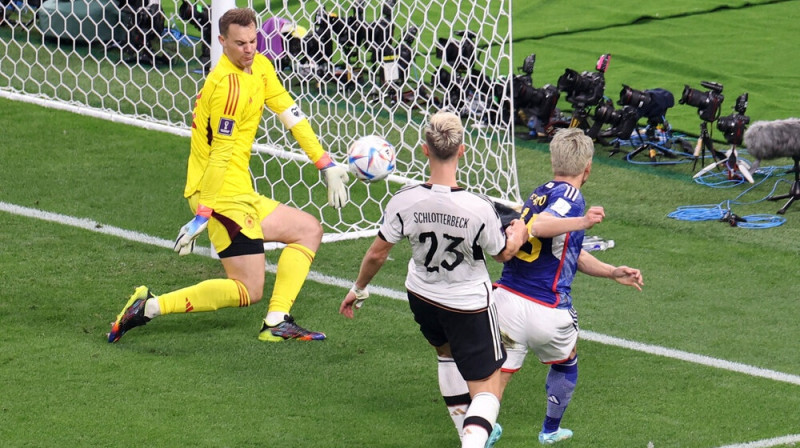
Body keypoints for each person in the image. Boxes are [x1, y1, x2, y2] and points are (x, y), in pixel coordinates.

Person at [108, 7, 350, 343]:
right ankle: (148, 307)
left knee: (308, 230)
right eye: (240, 43)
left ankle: (277, 322)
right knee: (248, 289)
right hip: (217, 191)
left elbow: (291, 114)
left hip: (239, 189)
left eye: (253, 41)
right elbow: (220, 154)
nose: (249, 49)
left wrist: (325, 163)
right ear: (222, 42)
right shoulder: (226, 87)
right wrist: (203, 214)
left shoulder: (261, 67)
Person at [339, 111, 528, 448]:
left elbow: (377, 253)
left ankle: (464, 434)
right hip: (468, 303)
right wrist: (519, 232)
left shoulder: (404, 199)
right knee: (486, 387)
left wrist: (358, 288)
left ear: (425, 150)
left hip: (422, 296)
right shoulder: (479, 207)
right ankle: (473, 441)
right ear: (462, 150)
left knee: (446, 353)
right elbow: (502, 253)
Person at [492, 127, 644, 445]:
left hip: (506, 300)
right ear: (587, 167)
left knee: (500, 373)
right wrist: (584, 221)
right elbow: (542, 226)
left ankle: (481, 429)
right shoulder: (572, 198)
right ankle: (550, 430)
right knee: (567, 359)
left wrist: (612, 271)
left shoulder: (539, 192)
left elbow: (565, 249)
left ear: (553, 161)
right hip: (547, 308)